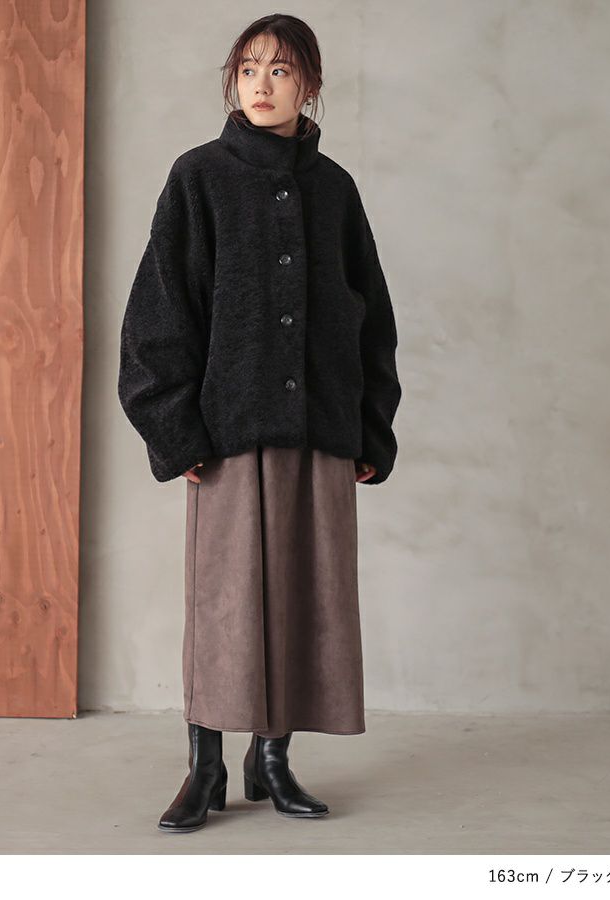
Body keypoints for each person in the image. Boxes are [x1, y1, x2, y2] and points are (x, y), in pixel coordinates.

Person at [118, 13, 401, 834]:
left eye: (280, 70)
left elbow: (370, 316)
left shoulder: (335, 188)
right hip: (228, 431)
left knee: (306, 596)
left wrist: (370, 428)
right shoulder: (199, 177)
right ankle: (205, 766)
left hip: (320, 425)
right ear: (231, 83)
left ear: (310, 83)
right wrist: (176, 430)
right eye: (248, 69)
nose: (262, 85)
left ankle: (271, 759)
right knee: (225, 601)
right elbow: (159, 312)